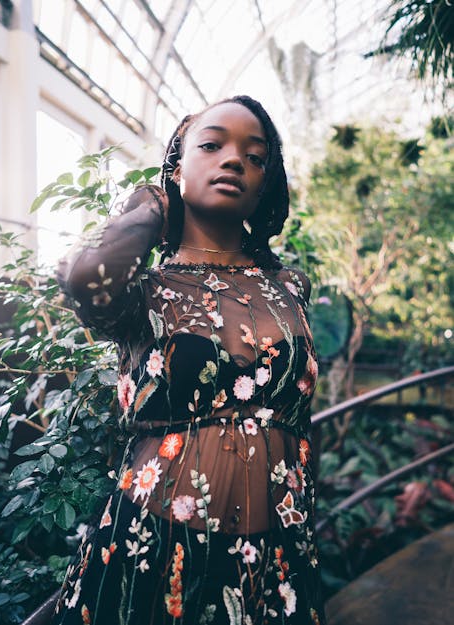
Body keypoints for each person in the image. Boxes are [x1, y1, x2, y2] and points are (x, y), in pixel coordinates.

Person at [51, 95, 325, 625]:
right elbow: (86, 277)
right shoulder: (143, 290)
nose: (234, 161)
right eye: (212, 144)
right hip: (153, 548)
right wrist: (155, 203)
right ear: (177, 164)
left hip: (277, 559)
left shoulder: (289, 286)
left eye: (255, 156)